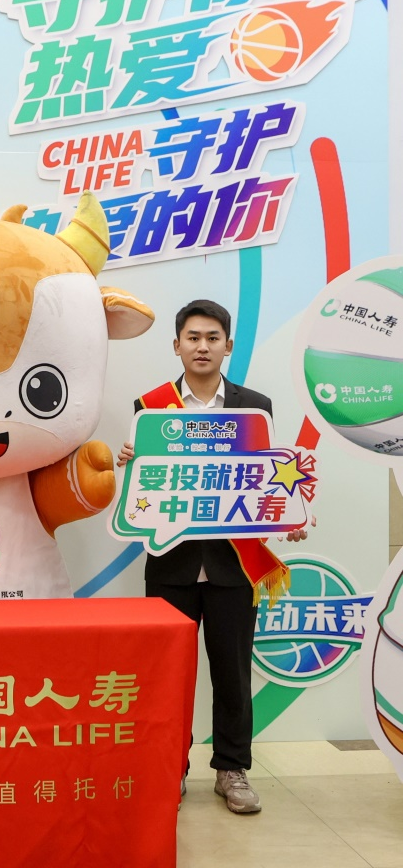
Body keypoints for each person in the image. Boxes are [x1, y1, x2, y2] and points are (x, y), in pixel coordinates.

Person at [117, 299, 308, 815]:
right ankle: (171, 767)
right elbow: (145, 490)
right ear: (176, 345)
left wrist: (286, 516)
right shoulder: (151, 408)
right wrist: (131, 463)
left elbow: (264, 478)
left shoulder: (254, 407)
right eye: (193, 337)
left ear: (227, 345)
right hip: (171, 566)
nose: (202, 346)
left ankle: (232, 769)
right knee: (168, 678)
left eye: (212, 337)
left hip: (233, 567)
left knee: (233, 675)